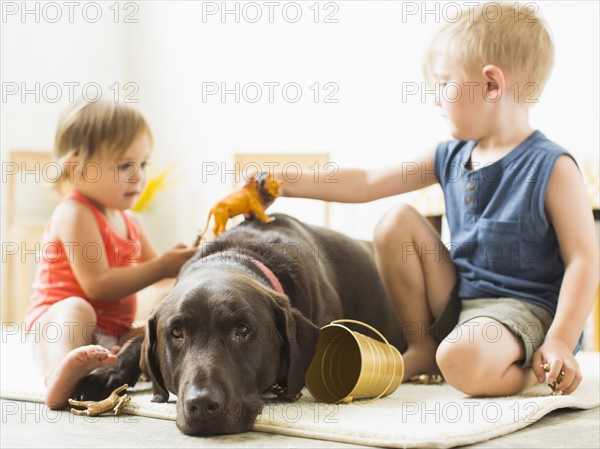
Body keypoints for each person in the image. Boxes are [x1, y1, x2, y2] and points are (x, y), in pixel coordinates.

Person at [253, 2, 599, 396]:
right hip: (462, 299)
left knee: (460, 360)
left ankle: (534, 370)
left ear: (491, 85)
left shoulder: (552, 167)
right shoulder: (449, 155)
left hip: (524, 312)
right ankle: (424, 346)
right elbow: (366, 182)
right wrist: (282, 183)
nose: (435, 97)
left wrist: (558, 340)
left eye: (442, 82)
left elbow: (584, 260)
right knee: (394, 221)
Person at [24, 100, 197, 409]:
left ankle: (99, 368)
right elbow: (97, 284)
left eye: (143, 164)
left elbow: (164, 279)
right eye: (124, 165)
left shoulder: (132, 222)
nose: (137, 176)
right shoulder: (75, 212)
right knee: (78, 308)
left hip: (109, 334)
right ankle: (57, 376)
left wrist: (191, 264)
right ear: (77, 168)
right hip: (59, 329)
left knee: (151, 330)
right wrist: (161, 266)